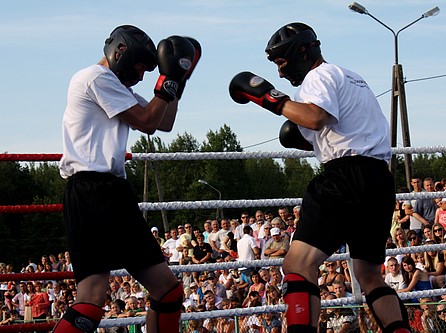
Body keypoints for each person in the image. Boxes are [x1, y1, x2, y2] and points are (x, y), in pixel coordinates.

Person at [229, 22, 410, 332]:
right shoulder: (353, 78)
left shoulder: (318, 76)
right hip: (379, 179)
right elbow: (336, 129)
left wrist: (272, 99)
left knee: (298, 264)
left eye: (281, 63)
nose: (281, 73)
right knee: (369, 275)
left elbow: (315, 117)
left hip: (345, 176)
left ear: (302, 50)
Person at [54, 25, 200, 333]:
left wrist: (176, 80)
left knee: (168, 291)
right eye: (139, 68)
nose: (142, 76)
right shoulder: (95, 78)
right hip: (93, 193)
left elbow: (165, 121)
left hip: (107, 192)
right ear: (121, 54)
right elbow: (147, 122)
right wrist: (169, 80)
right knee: (91, 300)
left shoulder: (115, 86)